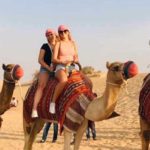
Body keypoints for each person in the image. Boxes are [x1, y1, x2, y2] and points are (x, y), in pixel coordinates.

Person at [49, 25, 79, 114]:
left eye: (65, 31)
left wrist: (74, 60)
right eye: (60, 32)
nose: (63, 33)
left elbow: (76, 57)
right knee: (64, 80)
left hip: (71, 67)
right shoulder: (59, 43)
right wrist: (63, 62)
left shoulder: (73, 43)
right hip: (60, 67)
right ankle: (53, 102)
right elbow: (53, 59)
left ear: (68, 32)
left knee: (85, 81)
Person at [31, 28, 57, 118]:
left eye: (51, 34)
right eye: (48, 35)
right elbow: (40, 60)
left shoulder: (59, 44)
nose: (50, 36)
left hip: (58, 68)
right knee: (41, 85)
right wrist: (48, 68)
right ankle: (34, 109)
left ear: (55, 34)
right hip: (45, 68)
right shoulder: (45, 46)